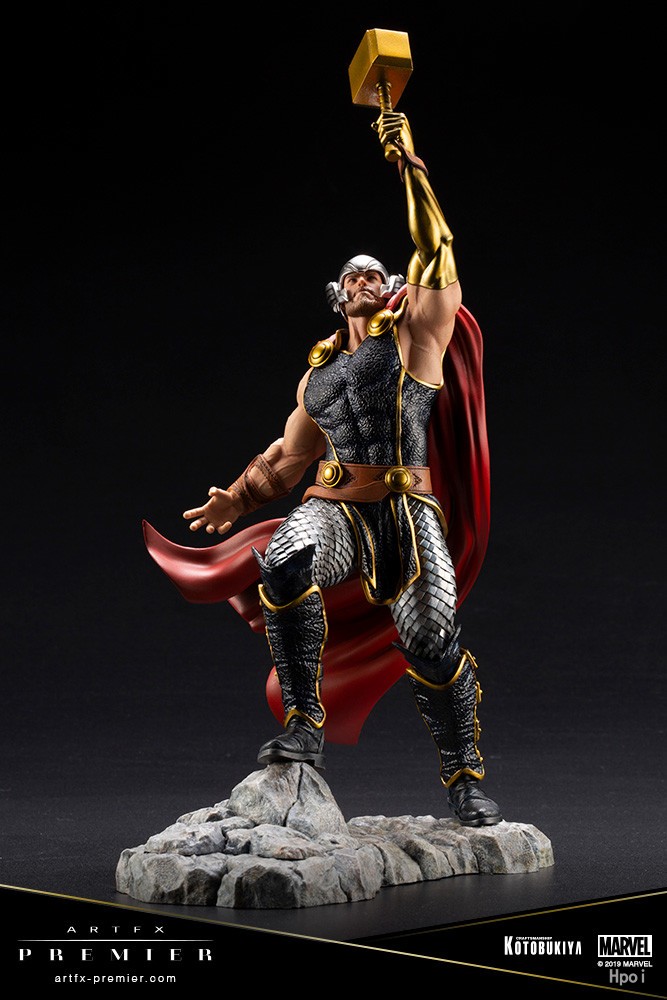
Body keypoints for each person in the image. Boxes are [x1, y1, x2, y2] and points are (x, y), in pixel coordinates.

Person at [148, 111, 502, 827]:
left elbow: (436, 245)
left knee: (432, 640)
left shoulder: (416, 335)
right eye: (351, 277)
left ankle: (464, 777)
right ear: (337, 296)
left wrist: (408, 164)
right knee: (283, 561)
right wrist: (237, 498)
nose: (363, 279)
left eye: (374, 273)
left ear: (391, 285)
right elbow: (289, 457)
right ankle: (304, 723)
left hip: (405, 511)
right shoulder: (319, 375)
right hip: (336, 508)